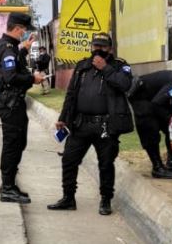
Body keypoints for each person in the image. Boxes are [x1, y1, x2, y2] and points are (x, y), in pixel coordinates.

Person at [47, 38, 134, 216]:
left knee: (106, 164)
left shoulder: (119, 66)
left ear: (110, 48)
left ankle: (106, 200)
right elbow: (71, 93)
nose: (98, 50)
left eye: (102, 46)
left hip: (105, 126)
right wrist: (64, 117)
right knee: (69, 160)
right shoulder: (82, 66)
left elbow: (125, 85)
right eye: (96, 46)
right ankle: (68, 198)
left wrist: (105, 68)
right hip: (81, 124)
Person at [0, 12, 45, 204]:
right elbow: (10, 77)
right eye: (23, 30)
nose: (24, 33)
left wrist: (24, 50)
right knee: (12, 145)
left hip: (10, 102)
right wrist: (33, 79)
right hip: (11, 103)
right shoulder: (7, 49)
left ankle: (9, 184)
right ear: (17, 29)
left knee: (17, 144)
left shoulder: (6, 46)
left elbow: (10, 67)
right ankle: (7, 188)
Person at [129, 70, 172, 178]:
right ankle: (157, 168)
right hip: (142, 97)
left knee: (171, 129)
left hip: (158, 99)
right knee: (150, 129)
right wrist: (169, 117)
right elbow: (156, 103)